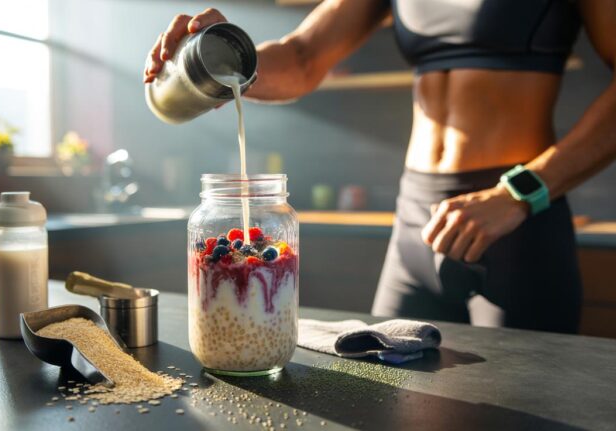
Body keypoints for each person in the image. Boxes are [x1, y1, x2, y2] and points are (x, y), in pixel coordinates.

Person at [144, 1, 616, 334]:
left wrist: (517, 193)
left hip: (514, 221)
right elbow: (303, 57)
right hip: (416, 216)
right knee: (386, 398)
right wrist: (226, 57)